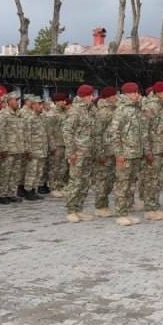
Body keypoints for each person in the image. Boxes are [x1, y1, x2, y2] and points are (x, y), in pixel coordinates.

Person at [110, 82, 145, 226]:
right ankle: (120, 214)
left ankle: (126, 210)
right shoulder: (121, 110)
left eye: (137, 92)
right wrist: (119, 154)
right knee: (122, 185)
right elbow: (114, 133)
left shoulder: (136, 109)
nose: (136, 95)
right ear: (126, 94)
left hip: (135, 152)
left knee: (130, 184)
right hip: (125, 153)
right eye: (133, 92)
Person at [63, 84, 99, 223]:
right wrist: (71, 152)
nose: (92, 97)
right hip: (77, 153)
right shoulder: (75, 110)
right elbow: (67, 131)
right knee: (75, 182)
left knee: (85, 182)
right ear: (84, 96)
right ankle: (71, 210)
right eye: (90, 95)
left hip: (88, 152)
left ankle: (79, 208)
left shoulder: (90, 110)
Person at [140, 82, 163, 220]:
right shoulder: (152, 106)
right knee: (152, 180)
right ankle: (149, 209)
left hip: (162, 148)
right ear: (158, 92)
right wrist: (147, 151)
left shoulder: (162, 104)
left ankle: (154, 206)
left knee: (159, 180)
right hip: (154, 149)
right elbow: (145, 130)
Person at [0, 91, 27, 204]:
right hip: (8, 150)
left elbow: (23, 132)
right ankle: (2, 194)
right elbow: (0, 133)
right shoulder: (2, 115)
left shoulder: (19, 114)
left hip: (18, 148)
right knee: (5, 172)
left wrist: (24, 147)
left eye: (18, 100)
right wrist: (3, 148)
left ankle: (11, 193)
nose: (17, 102)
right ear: (9, 101)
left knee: (15, 173)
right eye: (15, 100)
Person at [93, 86, 118, 216]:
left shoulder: (113, 109)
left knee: (109, 180)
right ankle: (100, 206)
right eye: (114, 95)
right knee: (103, 179)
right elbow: (97, 134)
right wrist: (100, 153)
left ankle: (104, 205)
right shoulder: (103, 112)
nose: (117, 97)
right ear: (108, 97)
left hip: (112, 150)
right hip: (105, 151)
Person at [22, 95, 48, 200]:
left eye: (42, 104)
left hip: (41, 149)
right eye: (39, 104)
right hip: (33, 150)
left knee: (38, 171)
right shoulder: (29, 118)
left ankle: (34, 190)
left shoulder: (41, 117)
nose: (41, 106)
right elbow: (26, 135)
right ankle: (28, 191)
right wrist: (27, 149)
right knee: (31, 171)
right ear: (33, 105)